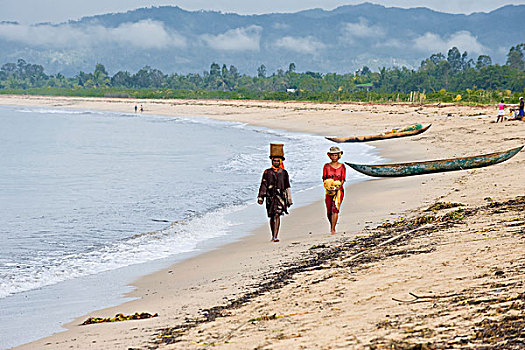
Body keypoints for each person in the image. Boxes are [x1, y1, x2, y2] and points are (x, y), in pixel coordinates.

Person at [257, 143, 292, 242]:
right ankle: (273, 234)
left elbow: (287, 186)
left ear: (280, 161)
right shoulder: (267, 172)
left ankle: (275, 236)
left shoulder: (284, 173)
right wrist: (260, 197)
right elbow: (263, 184)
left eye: (278, 161)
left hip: (280, 197)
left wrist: (289, 200)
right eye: (274, 160)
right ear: (272, 161)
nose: (276, 162)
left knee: (277, 214)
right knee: (271, 216)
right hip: (270, 198)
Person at [323, 146, 346, 234]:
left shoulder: (342, 166)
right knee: (329, 210)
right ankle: (331, 224)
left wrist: (337, 188)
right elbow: (324, 179)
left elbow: (343, 179)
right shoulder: (326, 166)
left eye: (336, 155)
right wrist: (330, 188)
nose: (334, 157)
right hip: (329, 190)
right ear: (329, 156)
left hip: (339, 190)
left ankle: (333, 229)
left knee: (335, 209)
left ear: (338, 156)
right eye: (332, 155)